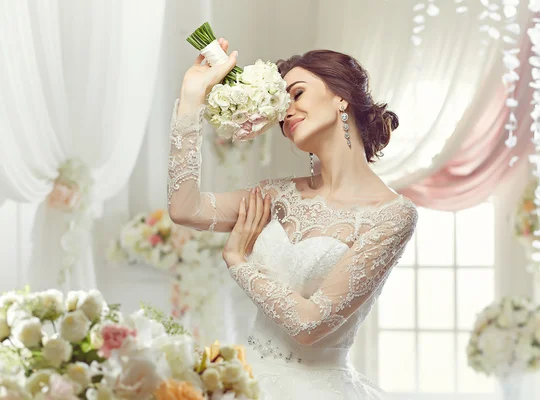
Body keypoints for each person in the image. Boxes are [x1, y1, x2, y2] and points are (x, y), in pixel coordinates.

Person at [167, 37, 418, 399]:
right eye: (281, 105)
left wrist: (238, 262)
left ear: (341, 96)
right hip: (247, 383)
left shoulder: (392, 215)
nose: (286, 113)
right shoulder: (277, 195)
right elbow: (185, 208)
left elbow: (310, 325)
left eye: (296, 94)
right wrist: (192, 98)